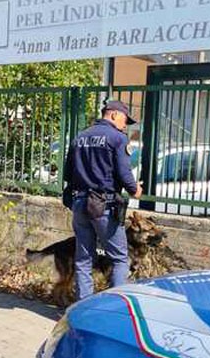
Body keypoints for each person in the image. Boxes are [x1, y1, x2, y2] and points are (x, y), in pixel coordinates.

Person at [63, 100, 143, 301]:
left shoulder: (80, 137)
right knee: (119, 259)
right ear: (114, 115)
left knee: (83, 260)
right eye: (125, 120)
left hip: (80, 203)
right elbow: (125, 173)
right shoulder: (117, 138)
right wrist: (135, 189)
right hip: (104, 206)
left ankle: (83, 309)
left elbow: (67, 174)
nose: (126, 126)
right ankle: (116, 310)